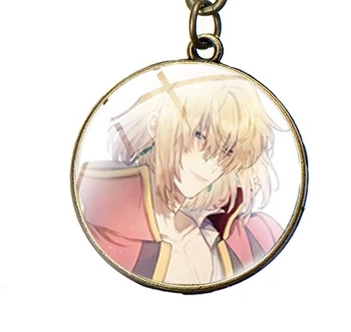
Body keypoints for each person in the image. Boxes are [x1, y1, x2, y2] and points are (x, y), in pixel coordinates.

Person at [76, 71, 283, 285]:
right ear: (156, 125)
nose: (211, 161)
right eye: (199, 135)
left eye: (227, 151)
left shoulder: (248, 237)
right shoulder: (106, 226)